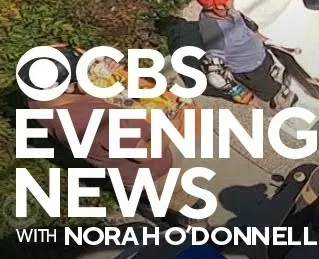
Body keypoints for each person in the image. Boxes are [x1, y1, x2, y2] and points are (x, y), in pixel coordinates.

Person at [28, 44, 207, 227]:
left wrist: (106, 71)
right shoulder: (93, 123)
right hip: (155, 173)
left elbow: (56, 52)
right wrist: (171, 125)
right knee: (185, 203)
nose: (89, 77)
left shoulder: (40, 99)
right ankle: (200, 231)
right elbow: (144, 155)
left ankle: (152, 206)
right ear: (67, 88)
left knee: (151, 196)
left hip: (124, 170)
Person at [195, 0, 297, 109]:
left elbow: (247, 26)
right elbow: (216, 75)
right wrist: (245, 97)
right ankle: (278, 100)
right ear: (219, 5)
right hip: (250, 71)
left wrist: (267, 42)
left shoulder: (227, 10)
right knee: (273, 91)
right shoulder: (213, 31)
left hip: (262, 56)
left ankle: (278, 84)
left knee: (276, 76)